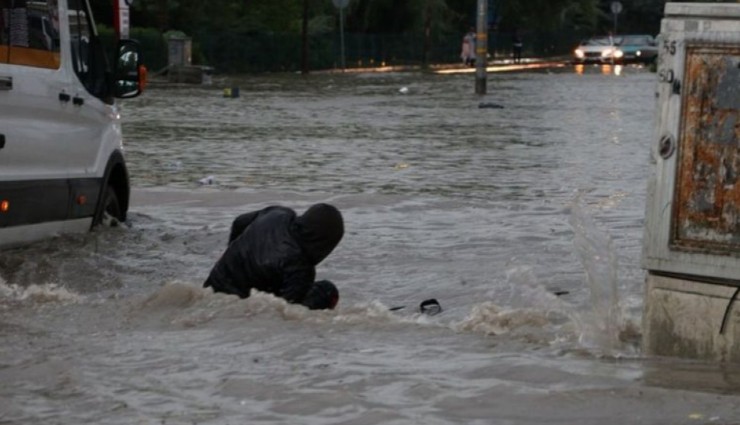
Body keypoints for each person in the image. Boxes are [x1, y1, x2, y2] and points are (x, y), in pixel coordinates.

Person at [203, 203, 344, 310]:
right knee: (328, 290)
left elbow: (239, 222)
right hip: (238, 304)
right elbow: (285, 309)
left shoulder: (279, 213)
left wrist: (229, 252)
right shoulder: (300, 268)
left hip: (212, 285)